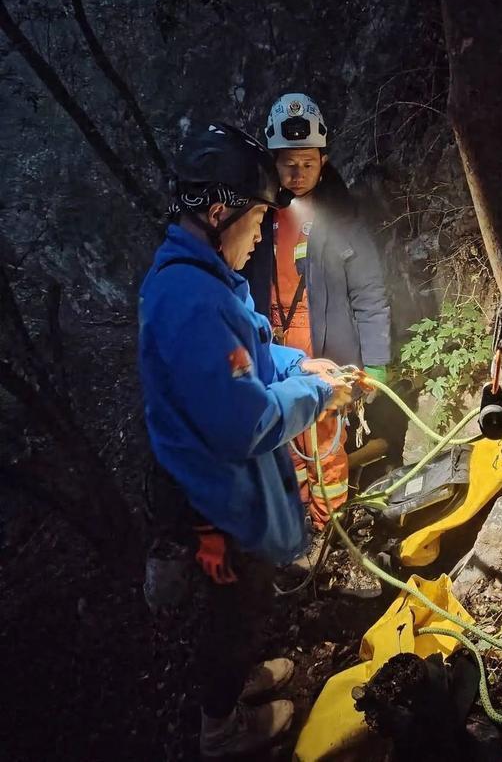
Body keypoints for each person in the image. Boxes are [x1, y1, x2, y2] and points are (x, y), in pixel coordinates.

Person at [138, 122, 352, 758]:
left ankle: (234, 685)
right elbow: (244, 422)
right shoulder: (191, 300)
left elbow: (253, 351)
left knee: (248, 606)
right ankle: (221, 726)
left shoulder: (206, 279)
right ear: (218, 210)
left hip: (229, 496)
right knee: (234, 615)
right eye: (257, 218)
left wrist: (300, 367)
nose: (262, 232)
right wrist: (317, 394)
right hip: (216, 509)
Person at [243, 93, 391, 529]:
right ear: (272, 162)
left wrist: (378, 362)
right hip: (272, 344)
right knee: (284, 440)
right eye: (288, 163)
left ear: (323, 161)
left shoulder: (342, 218)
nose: (298, 173)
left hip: (324, 344)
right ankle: (300, 517)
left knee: (325, 441)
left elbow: (369, 293)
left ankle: (332, 525)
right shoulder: (256, 216)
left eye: (308, 163)